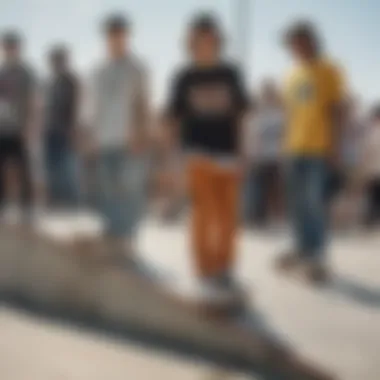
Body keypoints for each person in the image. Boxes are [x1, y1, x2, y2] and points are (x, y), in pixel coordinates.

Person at [166, 14, 249, 306]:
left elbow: (240, 116)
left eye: (210, 39)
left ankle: (223, 268)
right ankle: (204, 271)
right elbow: (173, 119)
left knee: (227, 216)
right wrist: (173, 159)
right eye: (199, 40)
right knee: (203, 213)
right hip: (196, 154)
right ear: (191, 42)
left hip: (227, 154)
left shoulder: (230, 73)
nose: (205, 45)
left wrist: (242, 154)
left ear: (217, 40)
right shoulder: (184, 76)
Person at [277, 21, 346, 283]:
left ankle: (317, 255)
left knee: (314, 203)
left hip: (319, 147)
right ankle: (301, 248)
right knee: (296, 204)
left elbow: (337, 110)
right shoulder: (292, 74)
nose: (292, 48)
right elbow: (289, 113)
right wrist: (284, 146)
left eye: (295, 42)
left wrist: (335, 146)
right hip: (293, 147)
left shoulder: (329, 70)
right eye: (289, 45)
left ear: (309, 40)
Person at [88, 14, 150, 265]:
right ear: (107, 37)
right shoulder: (99, 70)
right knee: (107, 188)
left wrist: (140, 134)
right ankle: (112, 237)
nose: (115, 37)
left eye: (120, 32)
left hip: (129, 139)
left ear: (126, 35)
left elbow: (143, 103)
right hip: (104, 138)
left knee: (129, 190)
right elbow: (94, 106)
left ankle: (129, 241)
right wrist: (92, 135)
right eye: (111, 33)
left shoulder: (136, 68)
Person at [0, 31, 37, 224]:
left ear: (18, 48)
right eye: (6, 46)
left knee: (23, 168)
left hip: (19, 129)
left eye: (12, 46)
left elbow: (33, 100)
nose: (9, 50)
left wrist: (30, 126)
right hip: (2, 129)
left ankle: (27, 208)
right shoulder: (2, 72)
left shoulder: (25, 72)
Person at [43, 45, 81, 208]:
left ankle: (71, 202)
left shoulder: (71, 80)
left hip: (66, 130)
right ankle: (56, 201)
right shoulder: (50, 82)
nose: (56, 64)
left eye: (59, 60)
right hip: (50, 130)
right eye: (54, 60)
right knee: (52, 167)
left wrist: (73, 128)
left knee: (68, 167)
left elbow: (76, 105)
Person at [247, 79, 284, 227]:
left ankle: (273, 216)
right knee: (257, 187)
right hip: (259, 156)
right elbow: (251, 135)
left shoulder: (280, 114)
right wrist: (251, 153)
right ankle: (257, 216)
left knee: (274, 188)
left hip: (275, 156)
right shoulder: (257, 113)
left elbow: (285, 135)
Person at [362, 105, 380, 228]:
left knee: (373, 198)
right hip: (374, 171)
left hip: (373, 172)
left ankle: (371, 220)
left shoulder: (371, 131)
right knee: (374, 198)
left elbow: (366, 153)